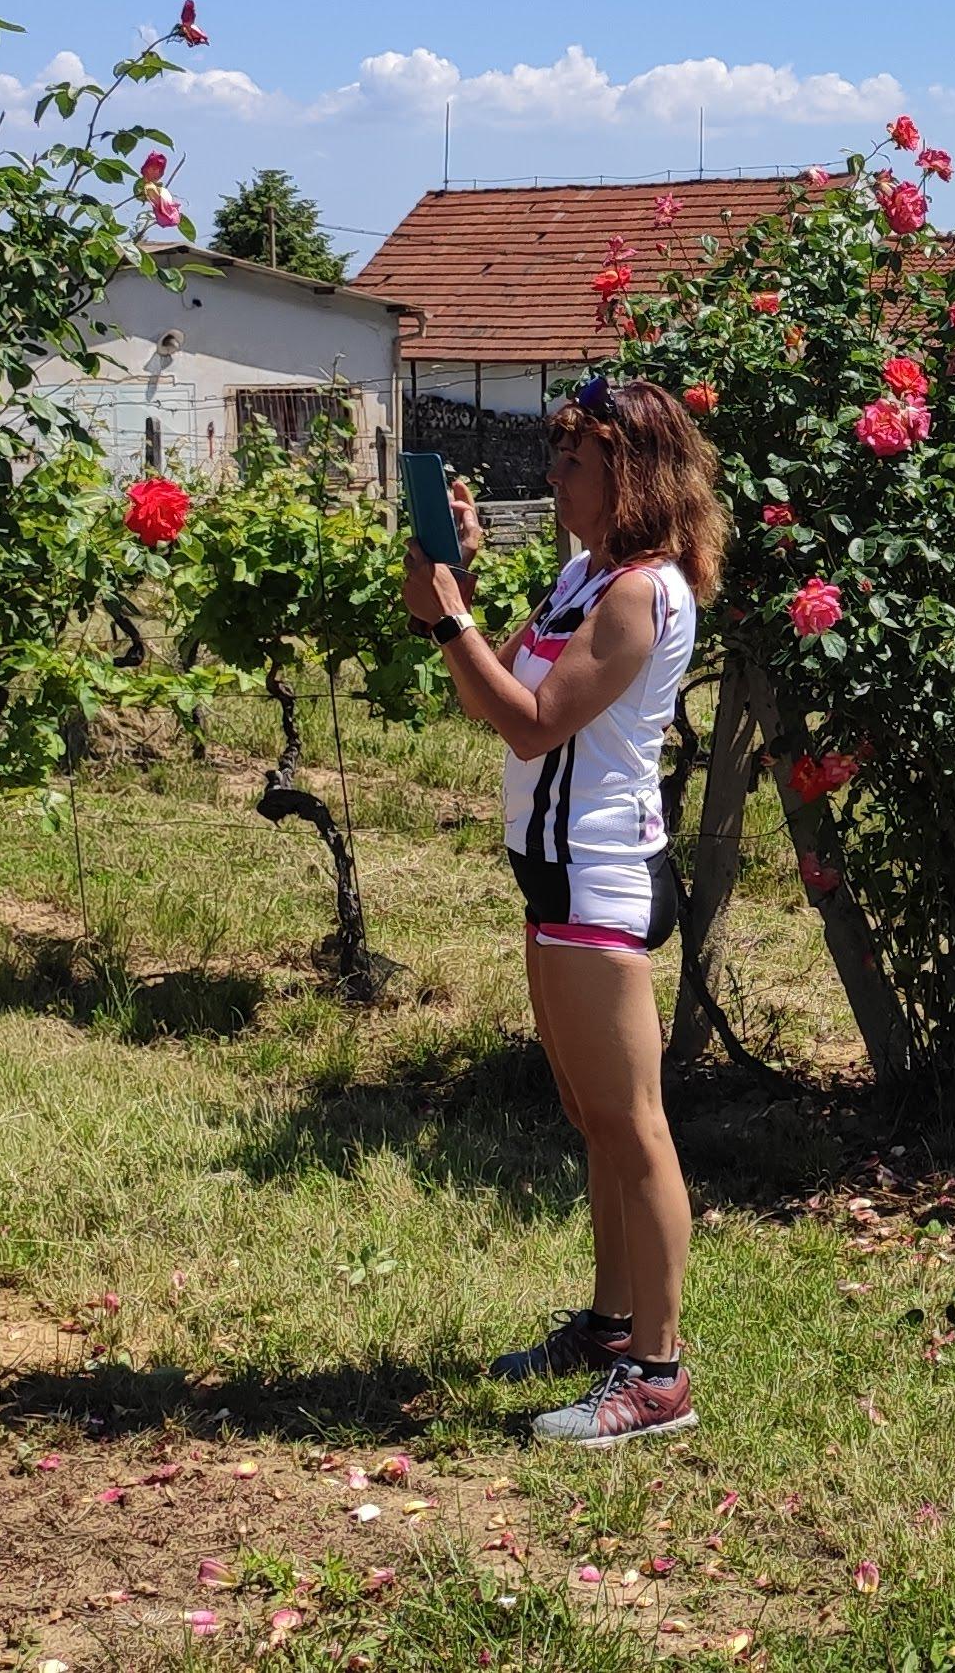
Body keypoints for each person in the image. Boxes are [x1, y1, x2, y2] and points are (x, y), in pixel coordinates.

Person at [402, 376, 721, 1447]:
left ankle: (659, 1376)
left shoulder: (640, 593)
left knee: (634, 1127)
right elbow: (506, 690)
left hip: (596, 878)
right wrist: (464, 599)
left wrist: (447, 621)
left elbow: (532, 725)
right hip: (551, 877)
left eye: (572, 460)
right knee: (596, 1120)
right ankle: (610, 1327)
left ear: (627, 472)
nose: (552, 476)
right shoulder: (587, 573)